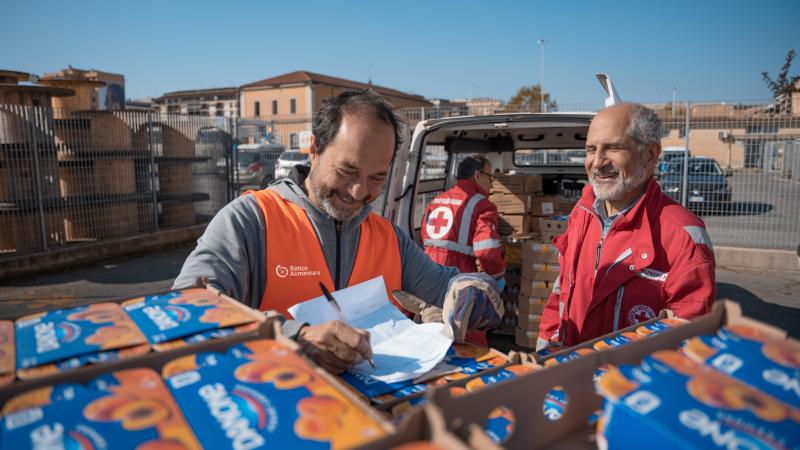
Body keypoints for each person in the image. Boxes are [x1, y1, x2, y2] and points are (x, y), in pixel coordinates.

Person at [173, 90, 502, 373]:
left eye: (377, 178)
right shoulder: (251, 220)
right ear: (314, 149)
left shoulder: (388, 237)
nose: (359, 192)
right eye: (347, 171)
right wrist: (294, 338)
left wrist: (473, 290)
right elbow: (187, 313)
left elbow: (447, 285)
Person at [537, 103, 716, 349]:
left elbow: (688, 343)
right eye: (591, 150)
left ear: (650, 155)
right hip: (568, 372)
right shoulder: (582, 212)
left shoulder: (683, 237)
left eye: (613, 147)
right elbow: (561, 290)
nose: (597, 162)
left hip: (626, 384)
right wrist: (545, 352)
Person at [420, 154, 506, 278]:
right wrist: (497, 275)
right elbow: (487, 249)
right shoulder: (483, 205)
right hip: (458, 276)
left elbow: (424, 238)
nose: (491, 185)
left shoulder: (436, 201)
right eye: (490, 177)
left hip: (428, 272)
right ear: (477, 175)